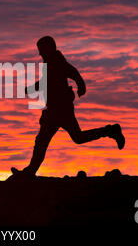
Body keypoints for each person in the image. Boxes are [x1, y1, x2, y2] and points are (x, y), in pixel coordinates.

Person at [11, 36, 125, 176]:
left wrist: (81, 85)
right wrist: (31, 89)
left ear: (49, 48)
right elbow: (46, 82)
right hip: (55, 110)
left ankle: (111, 131)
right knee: (55, 140)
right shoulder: (50, 63)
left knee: (62, 139)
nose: (40, 53)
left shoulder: (57, 61)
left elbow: (72, 72)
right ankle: (110, 131)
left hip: (61, 110)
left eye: (41, 50)